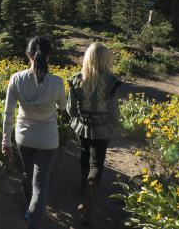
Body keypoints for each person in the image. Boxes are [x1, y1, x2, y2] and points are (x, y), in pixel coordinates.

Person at [2, 36, 66, 229]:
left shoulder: (16, 79)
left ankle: (30, 212)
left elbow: (8, 112)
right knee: (41, 186)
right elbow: (63, 106)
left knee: (27, 175)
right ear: (49, 57)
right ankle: (34, 221)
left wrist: (6, 140)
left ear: (28, 54)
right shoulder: (56, 82)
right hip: (48, 140)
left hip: (23, 137)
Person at [66, 42, 122, 224]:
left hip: (82, 126)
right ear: (105, 60)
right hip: (103, 128)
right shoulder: (111, 82)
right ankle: (88, 204)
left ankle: (84, 187)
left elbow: (70, 109)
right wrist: (115, 125)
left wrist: (77, 118)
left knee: (84, 153)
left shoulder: (76, 80)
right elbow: (114, 111)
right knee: (97, 162)